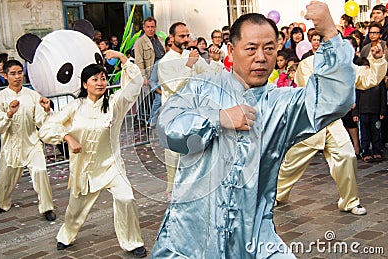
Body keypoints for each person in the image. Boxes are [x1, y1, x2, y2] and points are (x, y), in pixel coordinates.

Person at [151, 2, 355, 257]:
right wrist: (217, 118)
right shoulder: (201, 88)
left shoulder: (282, 104)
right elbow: (167, 127)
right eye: (251, 49)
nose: (261, 57)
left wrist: (330, 35)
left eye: (269, 48)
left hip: (254, 234)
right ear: (231, 50)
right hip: (192, 236)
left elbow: (333, 99)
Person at [38, 50, 147, 258]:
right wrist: (67, 138)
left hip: (111, 165)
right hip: (85, 168)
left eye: (103, 78)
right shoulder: (75, 107)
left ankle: (133, 243)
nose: (100, 82)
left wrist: (123, 59)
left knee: (126, 198)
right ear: (84, 84)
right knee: (75, 209)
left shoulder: (115, 104)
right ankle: (66, 235)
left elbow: (134, 85)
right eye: (94, 79)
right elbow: (47, 129)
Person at [276, 43, 387, 215]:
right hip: (310, 124)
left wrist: (378, 59)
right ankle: (276, 195)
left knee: (347, 156)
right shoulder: (308, 64)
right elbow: (310, 92)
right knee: (291, 164)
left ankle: (350, 202)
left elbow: (368, 79)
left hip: (333, 123)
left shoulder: (345, 66)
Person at [157, 22, 223, 201]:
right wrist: (188, 65)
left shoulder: (191, 55)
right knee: (174, 156)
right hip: (174, 116)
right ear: (171, 39)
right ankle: (174, 193)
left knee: (198, 154)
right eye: (182, 36)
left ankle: (199, 192)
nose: (186, 39)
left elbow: (210, 74)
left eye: (187, 35)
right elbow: (173, 88)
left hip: (196, 114)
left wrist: (215, 61)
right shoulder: (165, 62)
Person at [0, 60, 56, 221]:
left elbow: (41, 122)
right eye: (13, 73)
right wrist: (9, 114)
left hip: (32, 143)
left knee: (40, 172)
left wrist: (47, 109)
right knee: (5, 181)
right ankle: (3, 202)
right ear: (5, 76)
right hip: (10, 146)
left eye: (20, 72)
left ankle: (47, 207)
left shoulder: (32, 95)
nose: (17, 76)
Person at [133, 16, 166, 128]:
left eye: (152, 27)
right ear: (144, 27)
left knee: (162, 96)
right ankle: (151, 120)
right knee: (158, 96)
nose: (150, 29)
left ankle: (155, 120)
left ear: (155, 27)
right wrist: (143, 76)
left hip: (163, 71)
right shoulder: (140, 42)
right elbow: (139, 61)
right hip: (152, 73)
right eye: (148, 27)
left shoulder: (161, 40)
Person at [353, 57, 387, 162]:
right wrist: (355, 113)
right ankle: (366, 152)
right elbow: (356, 98)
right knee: (364, 134)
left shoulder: (378, 80)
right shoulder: (358, 82)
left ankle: (377, 151)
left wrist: (382, 111)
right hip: (363, 111)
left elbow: (383, 96)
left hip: (375, 111)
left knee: (376, 132)